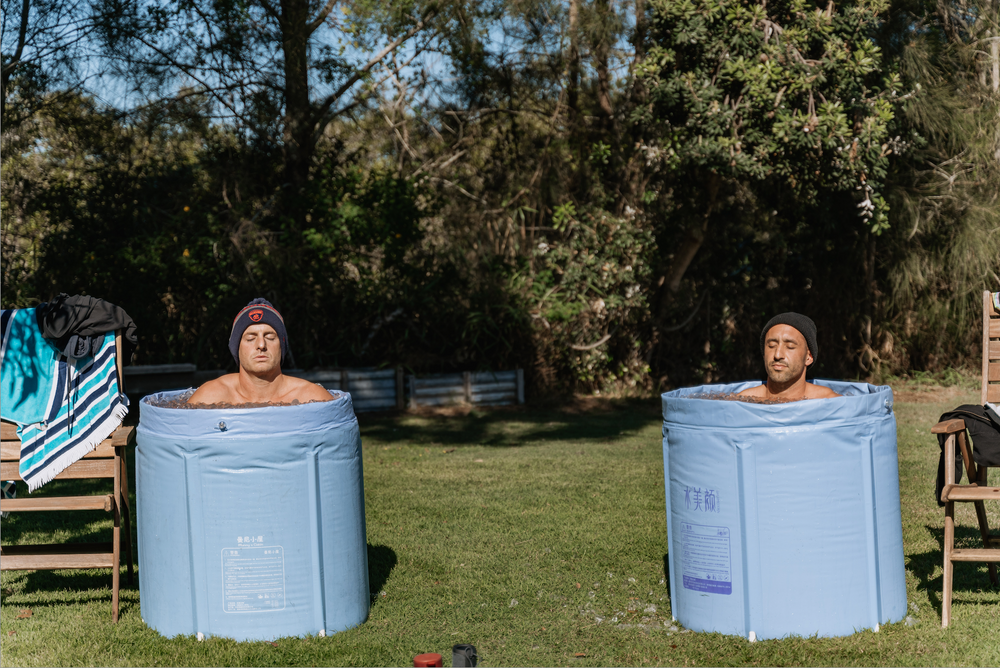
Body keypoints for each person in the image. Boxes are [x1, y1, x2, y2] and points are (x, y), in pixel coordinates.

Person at [187, 298, 332, 405]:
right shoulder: (209, 398)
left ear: (281, 346)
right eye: (250, 338)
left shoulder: (314, 398)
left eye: (270, 337)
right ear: (237, 348)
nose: (261, 345)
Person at [737, 312, 840, 402]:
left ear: (809, 357)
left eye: (790, 347)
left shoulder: (831, 402)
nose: (777, 355)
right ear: (764, 354)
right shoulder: (743, 402)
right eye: (772, 346)